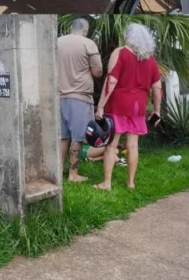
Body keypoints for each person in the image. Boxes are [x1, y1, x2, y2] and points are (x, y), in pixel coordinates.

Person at [94, 23, 163, 191]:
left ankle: (107, 183)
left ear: (129, 36)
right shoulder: (150, 59)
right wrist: (156, 110)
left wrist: (100, 107)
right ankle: (131, 183)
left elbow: (111, 81)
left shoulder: (121, 52)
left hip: (118, 104)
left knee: (111, 145)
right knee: (133, 146)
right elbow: (157, 88)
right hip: (138, 106)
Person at [58, 17, 103, 183]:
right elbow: (98, 71)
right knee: (77, 138)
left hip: (60, 96)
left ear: (71, 27)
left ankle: (57, 172)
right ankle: (73, 174)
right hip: (80, 97)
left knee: (63, 137)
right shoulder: (88, 43)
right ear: (85, 30)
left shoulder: (57, 42)